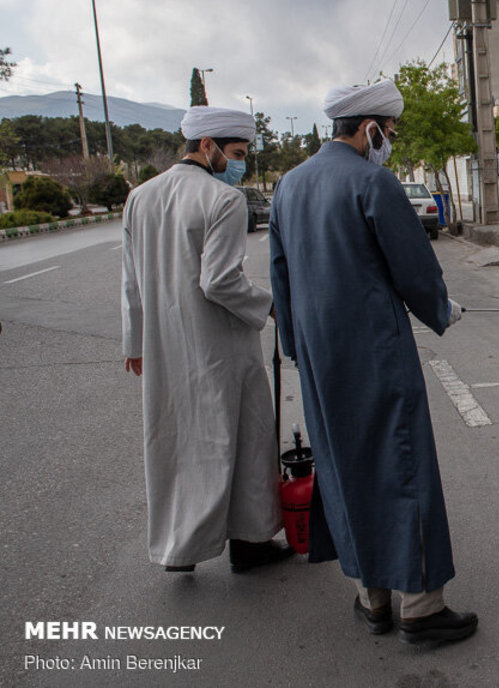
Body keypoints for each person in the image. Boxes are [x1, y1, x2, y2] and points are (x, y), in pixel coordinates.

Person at [269, 81, 475, 643]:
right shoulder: (372, 182)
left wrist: (295, 346)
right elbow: (412, 267)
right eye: (390, 132)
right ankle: (421, 607)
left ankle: (372, 598)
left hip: (318, 360)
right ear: (371, 129)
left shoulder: (288, 186)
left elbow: (281, 277)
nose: (390, 143)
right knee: (401, 466)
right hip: (377, 354)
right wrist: (441, 308)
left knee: (345, 468)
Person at [121, 106, 293, 574]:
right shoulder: (224, 200)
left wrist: (134, 342)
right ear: (206, 146)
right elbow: (218, 282)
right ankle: (252, 543)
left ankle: (180, 547)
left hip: (164, 342)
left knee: (175, 442)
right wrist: (271, 306)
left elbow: (131, 279)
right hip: (220, 344)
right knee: (247, 441)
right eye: (235, 153)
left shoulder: (140, 197)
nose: (237, 164)